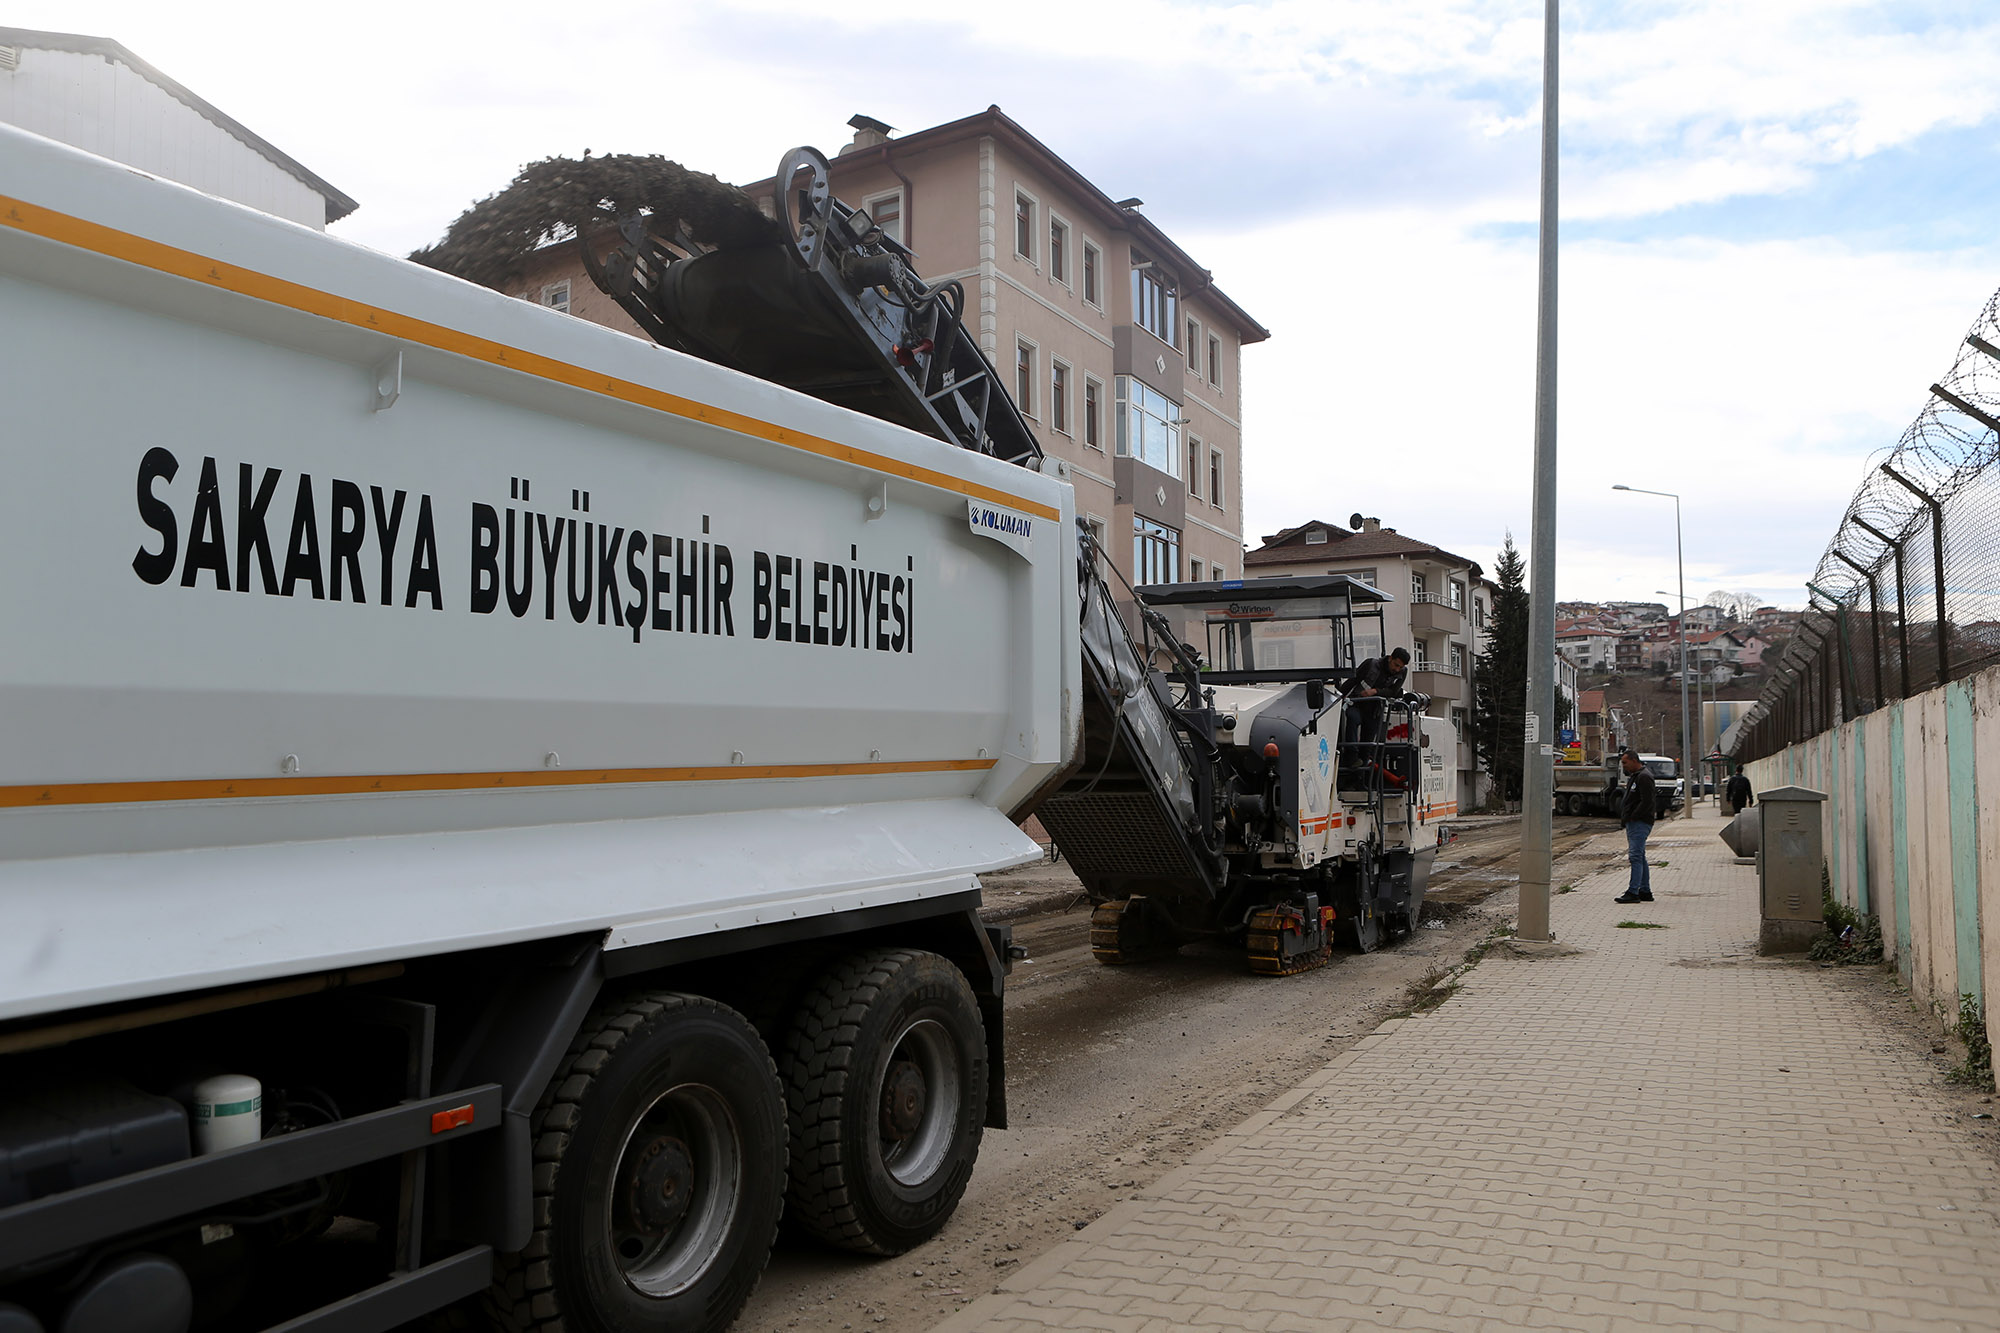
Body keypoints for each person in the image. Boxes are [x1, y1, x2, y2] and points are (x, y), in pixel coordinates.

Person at [1337, 647, 1412, 751]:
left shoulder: (1402, 672)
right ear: (1390, 658)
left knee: (1368, 741)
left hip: (1375, 709)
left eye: (1401, 667)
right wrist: (1338, 696)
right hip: (1357, 703)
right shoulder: (1371, 664)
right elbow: (1352, 681)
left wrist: (1375, 691)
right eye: (1396, 665)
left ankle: (1363, 761)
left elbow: (1393, 692)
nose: (1397, 669)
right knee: (1352, 719)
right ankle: (1351, 757)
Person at [1615, 749, 1656, 904]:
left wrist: (1633, 816)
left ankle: (1633, 891)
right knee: (1640, 856)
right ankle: (1645, 890)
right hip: (1635, 821)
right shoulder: (1637, 776)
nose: (1624, 766)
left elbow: (1647, 801)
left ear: (1633, 760)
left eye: (1625, 763)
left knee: (1635, 856)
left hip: (1639, 822)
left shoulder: (1644, 777)